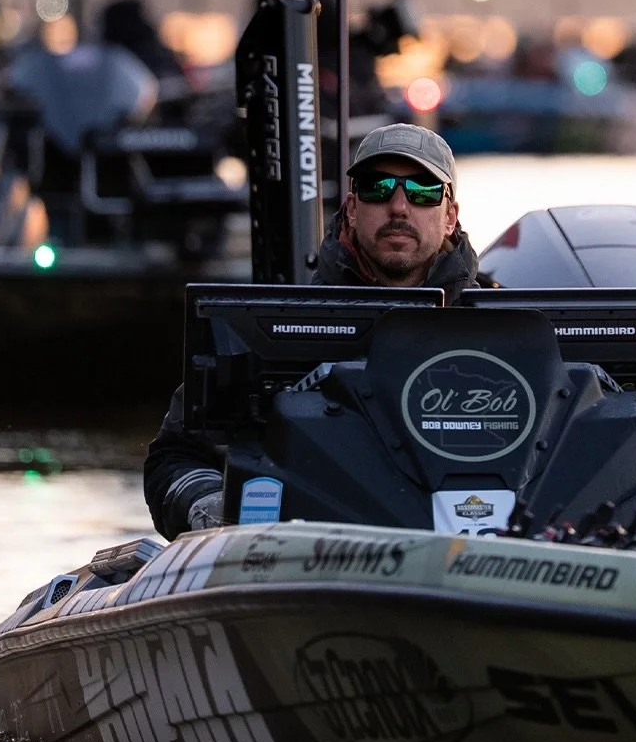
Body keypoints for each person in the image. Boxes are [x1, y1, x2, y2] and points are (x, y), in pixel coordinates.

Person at [142, 122, 479, 539]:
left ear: (450, 216)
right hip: (307, 561)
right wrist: (211, 506)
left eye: (423, 191)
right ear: (352, 210)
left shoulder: (501, 331)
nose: (398, 207)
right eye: (378, 188)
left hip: (465, 556)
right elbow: (175, 456)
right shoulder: (270, 327)